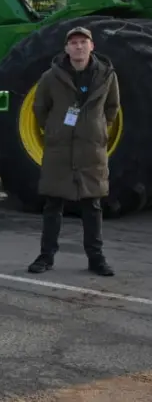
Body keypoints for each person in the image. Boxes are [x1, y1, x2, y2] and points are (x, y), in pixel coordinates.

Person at [28, 25, 119, 276]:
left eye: (83, 42)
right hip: (60, 150)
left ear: (92, 46)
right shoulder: (50, 77)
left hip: (91, 150)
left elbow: (112, 107)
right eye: (74, 43)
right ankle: (46, 257)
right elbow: (40, 108)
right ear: (66, 48)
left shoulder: (107, 75)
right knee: (53, 204)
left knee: (93, 205)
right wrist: (55, 130)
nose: (79, 47)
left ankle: (96, 259)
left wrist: (99, 129)